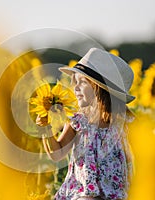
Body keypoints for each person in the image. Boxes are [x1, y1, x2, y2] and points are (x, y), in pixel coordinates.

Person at [36, 48, 135, 200]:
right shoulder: (79, 121)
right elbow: (57, 153)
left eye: (82, 82)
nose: (75, 87)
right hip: (81, 192)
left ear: (100, 88)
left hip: (115, 194)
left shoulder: (124, 123)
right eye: (75, 81)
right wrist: (46, 128)